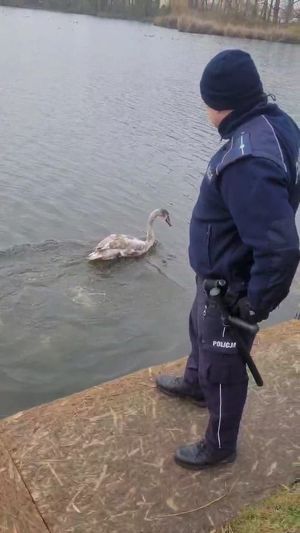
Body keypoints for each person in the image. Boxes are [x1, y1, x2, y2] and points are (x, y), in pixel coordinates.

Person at [156, 49, 300, 470]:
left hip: (232, 285)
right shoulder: (274, 123)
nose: (205, 111)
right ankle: (195, 384)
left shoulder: (247, 161)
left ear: (221, 104)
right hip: (217, 273)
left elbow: (281, 248)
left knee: (224, 364)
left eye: (207, 103)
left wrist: (253, 304)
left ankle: (220, 445)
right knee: (199, 331)